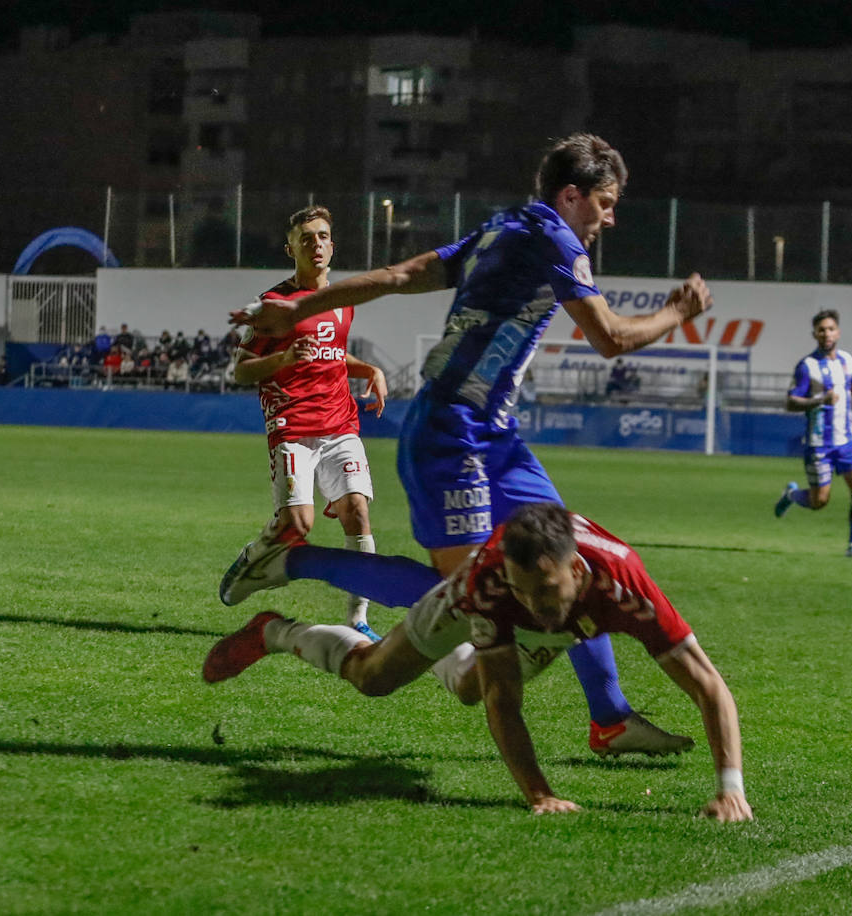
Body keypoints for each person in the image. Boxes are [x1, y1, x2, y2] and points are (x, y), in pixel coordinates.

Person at [228, 133, 712, 756]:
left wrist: (302, 309)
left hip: (496, 435)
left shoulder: (500, 228)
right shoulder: (558, 241)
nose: (609, 218)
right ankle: (290, 562)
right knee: (459, 596)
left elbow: (401, 274)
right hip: (449, 434)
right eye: (606, 202)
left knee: (569, 559)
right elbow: (612, 337)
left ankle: (611, 717)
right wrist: (680, 310)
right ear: (572, 196)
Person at [206, 502, 751, 821]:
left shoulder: (624, 583)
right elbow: (505, 700)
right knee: (375, 678)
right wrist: (540, 794)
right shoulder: (494, 585)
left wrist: (731, 788)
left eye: (547, 592)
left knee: (468, 687)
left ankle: (449, 657)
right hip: (472, 592)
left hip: (559, 607)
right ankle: (274, 631)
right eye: (527, 591)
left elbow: (706, 683)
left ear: (578, 573)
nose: (537, 605)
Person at [223, 205, 388, 641]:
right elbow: (240, 370)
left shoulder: (342, 301)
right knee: (298, 524)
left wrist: (367, 369)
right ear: (290, 248)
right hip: (292, 426)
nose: (316, 244)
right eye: (306, 238)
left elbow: (332, 356)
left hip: (340, 424)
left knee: (357, 512)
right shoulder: (271, 306)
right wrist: (282, 358)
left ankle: (357, 620)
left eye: (322, 236)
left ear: (332, 245)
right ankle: (253, 559)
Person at [773, 309, 852, 560]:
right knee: (819, 502)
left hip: (849, 441)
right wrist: (820, 399)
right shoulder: (807, 367)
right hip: (819, 444)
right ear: (814, 334)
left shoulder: (846, 359)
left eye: (831, 328)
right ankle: (791, 495)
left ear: (838, 332)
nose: (826, 333)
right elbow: (790, 402)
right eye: (821, 329)